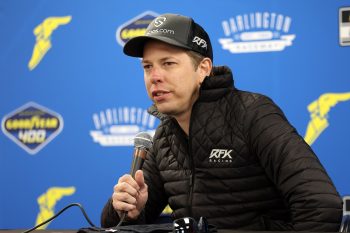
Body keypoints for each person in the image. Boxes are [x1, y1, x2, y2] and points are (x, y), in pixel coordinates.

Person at [101, 13, 343, 231]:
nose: (154, 77)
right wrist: (126, 210)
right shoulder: (164, 137)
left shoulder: (253, 113)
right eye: (147, 67)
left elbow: (321, 205)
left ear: (203, 68)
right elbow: (115, 226)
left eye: (168, 63)